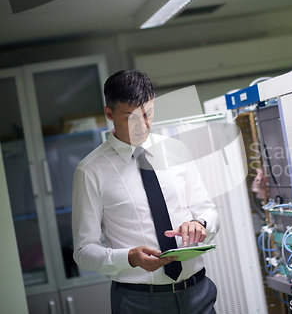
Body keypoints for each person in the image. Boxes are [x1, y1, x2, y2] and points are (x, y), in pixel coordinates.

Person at [72, 70, 219, 314]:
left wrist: (200, 223)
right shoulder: (90, 170)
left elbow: (208, 210)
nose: (144, 125)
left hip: (198, 293)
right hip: (139, 302)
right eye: (131, 117)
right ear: (110, 114)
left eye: (148, 113)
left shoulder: (176, 150)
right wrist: (129, 258)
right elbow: (84, 251)